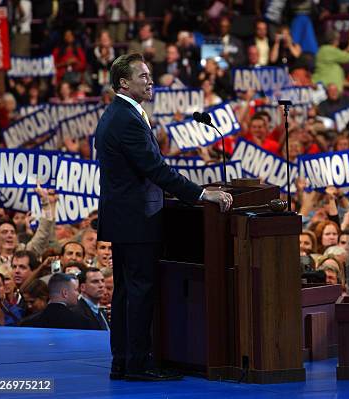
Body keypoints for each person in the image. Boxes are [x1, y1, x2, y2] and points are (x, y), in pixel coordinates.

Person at [95, 53, 232, 382]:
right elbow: (154, 168)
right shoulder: (126, 118)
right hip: (137, 220)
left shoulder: (118, 113)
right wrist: (201, 194)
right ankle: (138, 364)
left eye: (150, 74)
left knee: (127, 291)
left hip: (127, 219)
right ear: (124, 83)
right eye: (143, 76)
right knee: (138, 292)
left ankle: (124, 361)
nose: (150, 80)